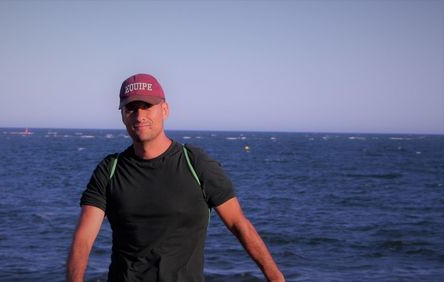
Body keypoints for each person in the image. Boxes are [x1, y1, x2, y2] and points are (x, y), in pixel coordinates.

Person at [66, 73, 285, 282]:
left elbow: (238, 223)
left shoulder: (196, 163)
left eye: (147, 106)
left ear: (165, 110)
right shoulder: (110, 170)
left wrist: (275, 277)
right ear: (123, 115)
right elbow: (83, 241)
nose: (140, 116)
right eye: (131, 108)